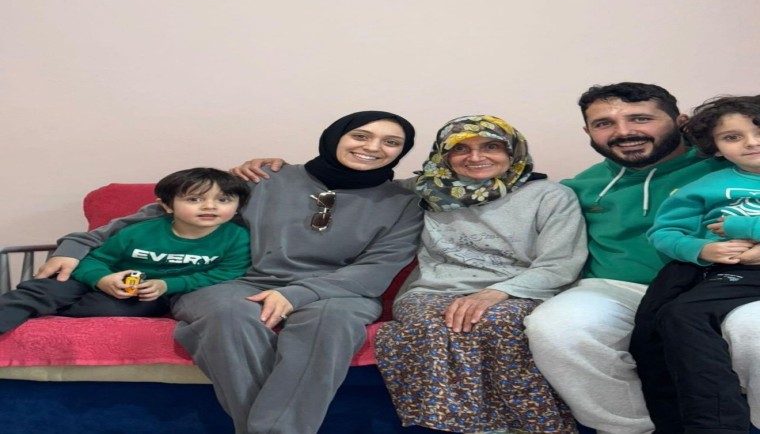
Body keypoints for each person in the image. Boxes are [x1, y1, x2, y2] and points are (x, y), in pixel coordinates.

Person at [33, 111, 424, 434]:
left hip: (340, 292)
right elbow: (161, 213)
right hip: (239, 281)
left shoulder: (405, 202)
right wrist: (76, 246)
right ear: (335, 136)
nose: (373, 147)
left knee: (332, 323)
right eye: (361, 135)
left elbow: (378, 268)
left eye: (391, 142)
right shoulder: (265, 177)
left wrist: (296, 295)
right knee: (227, 314)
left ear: (401, 151)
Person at [231, 115, 588, 433]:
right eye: (461, 149)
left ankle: (534, 423)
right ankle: (461, 426)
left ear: (513, 151)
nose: (475, 157)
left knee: (496, 322)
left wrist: (498, 292)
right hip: (431, 292)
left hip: (515, 291)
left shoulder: (549, 196)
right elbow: (358, 181)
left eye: (491, 147)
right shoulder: (426, 189)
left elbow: (560, 263)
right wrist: (276, 170)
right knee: (430, 325)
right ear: (444, 155)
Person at [522, 83, 760, 434]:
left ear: (681, 122)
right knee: (557, 327)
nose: (624, 132)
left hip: (728, 280)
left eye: (640, 118)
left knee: (753, 329)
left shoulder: (730, 162)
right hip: (616, 287)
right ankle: (631, 428)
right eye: (604, 123)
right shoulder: (577, 187)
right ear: (587, 132)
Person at [629, 95, 760, 433]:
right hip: (714, 266)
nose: (751, 143)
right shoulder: (704, 186)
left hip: (748, 270)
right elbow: (664, 232)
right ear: (715, 147)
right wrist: (702, 249)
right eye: (732, 137)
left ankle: (716, 426)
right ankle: (675, 424)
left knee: (685, 314)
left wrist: (741, 227)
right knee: (651, 327)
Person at [0, 167, 251, 334]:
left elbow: (225, 273)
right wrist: (102, 279)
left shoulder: (237, 237)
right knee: (43, 289)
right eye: (194, 199)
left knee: (116, 309)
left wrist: (167, 285)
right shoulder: (140, 231)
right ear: (167, 206)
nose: (210, 206)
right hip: (100, 277)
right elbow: (94, 258)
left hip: (148, 292)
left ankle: (48, 308)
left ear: (238, 206)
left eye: (223, 200)